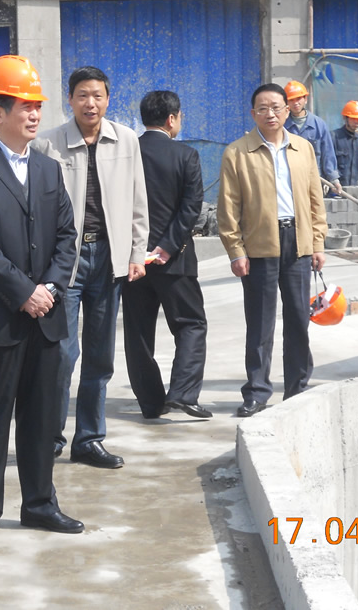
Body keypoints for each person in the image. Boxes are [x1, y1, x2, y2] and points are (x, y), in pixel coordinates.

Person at [0, 54, 83, 545]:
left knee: (42, 417)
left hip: (45, 315)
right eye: (25, 106)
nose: (34, 114)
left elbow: (66, 235)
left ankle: (40, 504)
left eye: (37, 106)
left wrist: (50, 288)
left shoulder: (47, 169)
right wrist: (24, 292)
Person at [31, 66, 148, 469]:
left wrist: (136, 253)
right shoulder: (47, 144)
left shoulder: (127, 140)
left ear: (108, 99)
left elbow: (138, 201)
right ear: (70, 100)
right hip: (65, 262)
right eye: (82, 95)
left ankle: (89, 439)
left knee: (100, 357)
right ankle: (50, 437)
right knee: (61, 355)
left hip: (109, 260)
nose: (90, 103)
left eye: (97, 95)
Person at [217, 83, 327, 418]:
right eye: (263, 108)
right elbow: (228, 206)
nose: (271, 113)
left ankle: (297, 388)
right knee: (260, 323)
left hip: (298, 241)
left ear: (287, 110)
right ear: (253, 113)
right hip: (259, 244)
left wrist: (318, 243)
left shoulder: (303, 148)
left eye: (277, 107)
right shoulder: (237, 153)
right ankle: (257, 391)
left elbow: (315, 200)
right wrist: (236, 250)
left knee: (298, 319)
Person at [121, 91, 210, 420]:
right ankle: (183, 394)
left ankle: (151, 403)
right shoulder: (186, 155)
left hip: (132, 261)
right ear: (172, 118)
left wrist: (135, 248)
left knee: (138, 334)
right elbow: (191, 208)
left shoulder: (126, 154)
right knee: (191, 324)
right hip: (176, 261)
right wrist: (168, 246)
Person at [283, 80, 342, 195]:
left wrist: (334, 179)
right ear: (286, 102)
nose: (295, 103)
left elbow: (327, 154)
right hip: (288, 182)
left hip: (313, 181)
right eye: (291, 100)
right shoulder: (282, 126)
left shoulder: (319, 125)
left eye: (298, 98)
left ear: (305, 99)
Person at [332, 101, 358, 187]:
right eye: (353, 118)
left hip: (355, 191)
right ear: (345, 118)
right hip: (337, 190)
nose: (356, 122)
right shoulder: (334, 137)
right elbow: (329, 166)